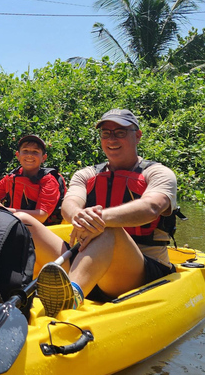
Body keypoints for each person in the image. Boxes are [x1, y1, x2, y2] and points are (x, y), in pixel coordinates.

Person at [20, 109, 179, 317]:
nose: (111, 139)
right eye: (106, 133)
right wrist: (79, 215)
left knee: (108, 229)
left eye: (120, 132)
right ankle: (13, 289)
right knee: (23, 222)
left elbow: (151, 207)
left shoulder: (158, 173)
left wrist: (99, 219)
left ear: (137, 135)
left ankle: (69, 299)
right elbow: (70, 204)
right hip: (87, 263)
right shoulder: (87, 174)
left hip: (138, 271)